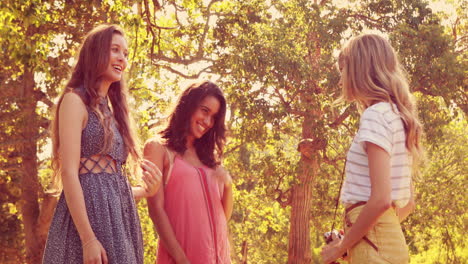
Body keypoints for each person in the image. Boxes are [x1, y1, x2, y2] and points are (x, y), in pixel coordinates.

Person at [43, 24, 162, 264]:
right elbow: (69, 172)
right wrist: (88, 239)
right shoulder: (74, 101)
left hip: (120, 222)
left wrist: (146, 191)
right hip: (86, 224)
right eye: (115, 50)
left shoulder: (115, 112)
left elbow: (111, 184)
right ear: (96, 53)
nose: (122, 58)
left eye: (126, 53)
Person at [321, 33, 423, 264]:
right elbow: (408, 204)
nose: (340, 81)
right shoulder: (397, 116)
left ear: (359, 71)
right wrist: (358, 235)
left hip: (374, 245)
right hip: (388, 241)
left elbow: (380, 200)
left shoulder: (375, 116)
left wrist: (340, 247)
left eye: (343, 71)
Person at [145, 81, 233, 264]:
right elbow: (156, 209)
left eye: (214, 117)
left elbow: (223, 217)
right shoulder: (159, 148)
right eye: (204, 111)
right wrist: (181, 259)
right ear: (188, 105)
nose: (208, 122)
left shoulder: (209, 158)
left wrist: (228, 185)